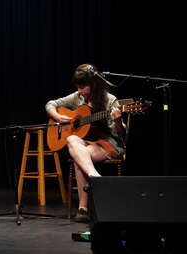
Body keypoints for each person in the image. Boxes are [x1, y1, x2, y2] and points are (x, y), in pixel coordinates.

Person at [45, 64, 125, 222]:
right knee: (71, 139)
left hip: (107, 144)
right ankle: (95, 177)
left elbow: (120, 133)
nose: (80, 90)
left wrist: (118, 121)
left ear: (94, 84)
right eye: (78, 87)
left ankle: (83, 208)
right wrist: (59, 117)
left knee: (78, 157)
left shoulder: (110, 101)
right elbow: (51, 104)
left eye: (83, 87)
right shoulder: (79, 97)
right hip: (88, 144)